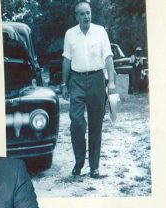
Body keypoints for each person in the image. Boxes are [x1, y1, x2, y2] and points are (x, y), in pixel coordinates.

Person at [61, 0, 116, 178]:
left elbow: (108, 57)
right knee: (77, 122)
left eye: (88, 12)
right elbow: (66, 60)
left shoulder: (100, 31)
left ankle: (94, 167)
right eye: (82, 13)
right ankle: (79, 162)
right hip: (76, 80)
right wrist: (64, 83)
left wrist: (112, 82)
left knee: (95, 124)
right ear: (76, 16)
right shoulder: (70, 34)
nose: (86, 16)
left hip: (97, 80)